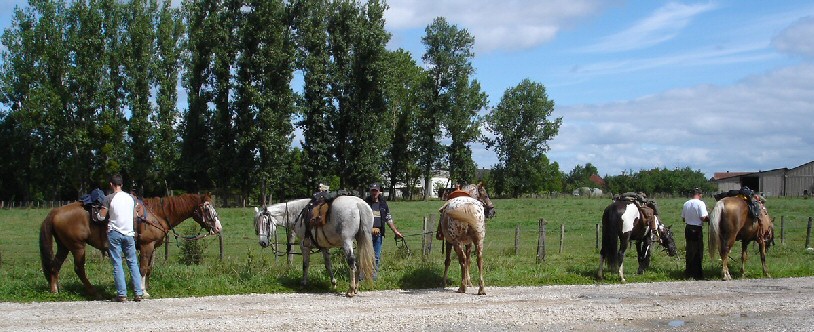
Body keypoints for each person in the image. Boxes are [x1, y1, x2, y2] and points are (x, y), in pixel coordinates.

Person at [98, 174, 144, 302]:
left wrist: (99, 216)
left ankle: (122, 294)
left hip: (115, 233)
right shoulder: (131, 198)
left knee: (117, 263)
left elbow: (101, 216)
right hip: (129, 234)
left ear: (111, 184)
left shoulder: (108, 198)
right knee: (133, 263)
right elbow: (136, 215)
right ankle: (138, 293)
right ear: (122, 185)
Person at [364, 183, 403, 280]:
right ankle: (362, 277)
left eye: (376, 191)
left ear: (379, 191)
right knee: (365, 255)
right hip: (366, 234)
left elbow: (388, 218)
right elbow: (361, 220)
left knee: (376, 256)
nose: (374, 193)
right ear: (370, 191)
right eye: (372, 190)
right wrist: (370, 229)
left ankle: (373, 278)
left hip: (379, 234)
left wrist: (396, 231)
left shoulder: (383, 203)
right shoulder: (364, 203)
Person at [681, 187, 709, 280]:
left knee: (689, 250)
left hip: (688, 228)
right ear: (699, 194)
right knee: (698, 251)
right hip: (697, 229)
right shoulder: (700, 203)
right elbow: (703, 218)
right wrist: (710, 219)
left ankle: (688, 272)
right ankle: (697, 274)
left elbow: (683, 218)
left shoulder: (686, 203)